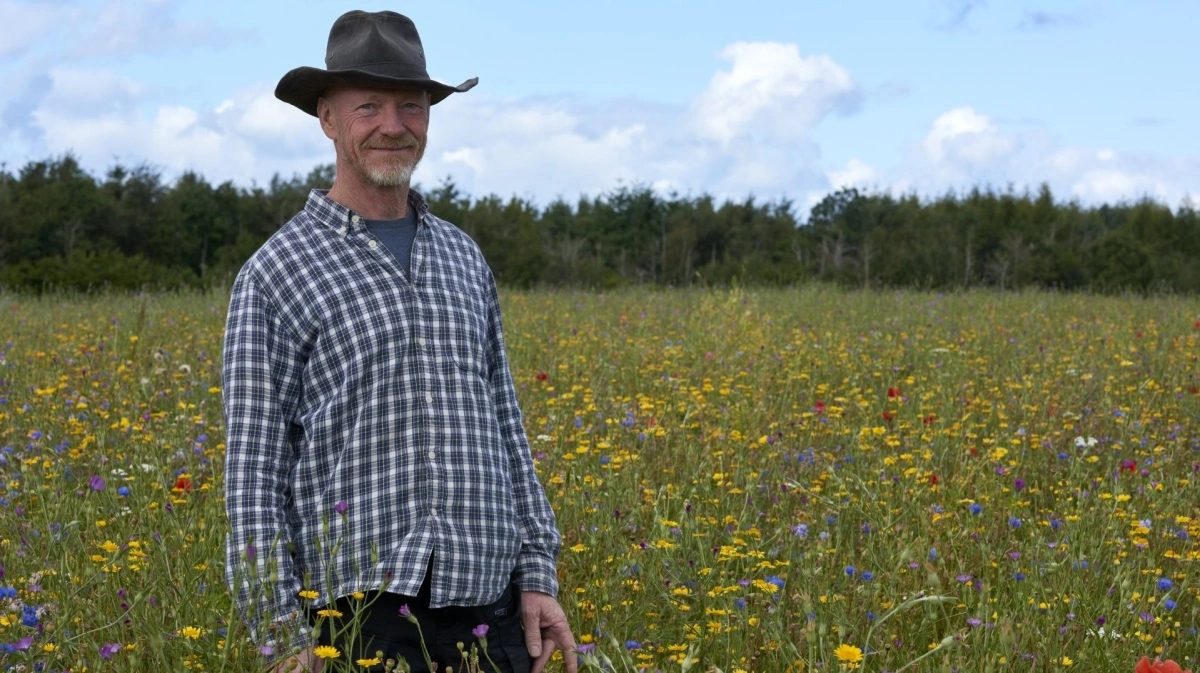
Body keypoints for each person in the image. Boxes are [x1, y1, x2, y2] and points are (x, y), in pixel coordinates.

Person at [222, 10, 576, 673]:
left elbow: (506, 425)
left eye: (410, 106)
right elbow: (252, 474)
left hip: (489, 610)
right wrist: (279, 632)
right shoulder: (276, 273)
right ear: (328, 118)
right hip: (359, 619)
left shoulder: (464, 257)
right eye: (369, 107)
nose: (393, 125)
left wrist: (536, 575)